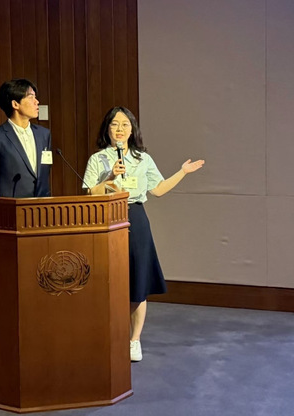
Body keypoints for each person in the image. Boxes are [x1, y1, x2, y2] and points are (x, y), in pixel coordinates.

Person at [83, 106, 205, 362]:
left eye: (125, 125)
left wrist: (182, 172)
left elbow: (158, 190)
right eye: (115, 124)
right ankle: (108, 336)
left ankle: (134, 340)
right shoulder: (98, 159)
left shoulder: (142, 159)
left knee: (138, 279)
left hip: (135, 217)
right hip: (106, 216)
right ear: (107, 129)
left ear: (132, 130)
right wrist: (109, 176)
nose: (119, 129)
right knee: (108, 277)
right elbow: (88, 193)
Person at [0, 79, 52, 204]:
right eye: (31, 97)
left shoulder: (44, 135)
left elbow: (44, 173)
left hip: (41, 209)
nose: (37, 102)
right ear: (15, 104)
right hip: (10, 210)